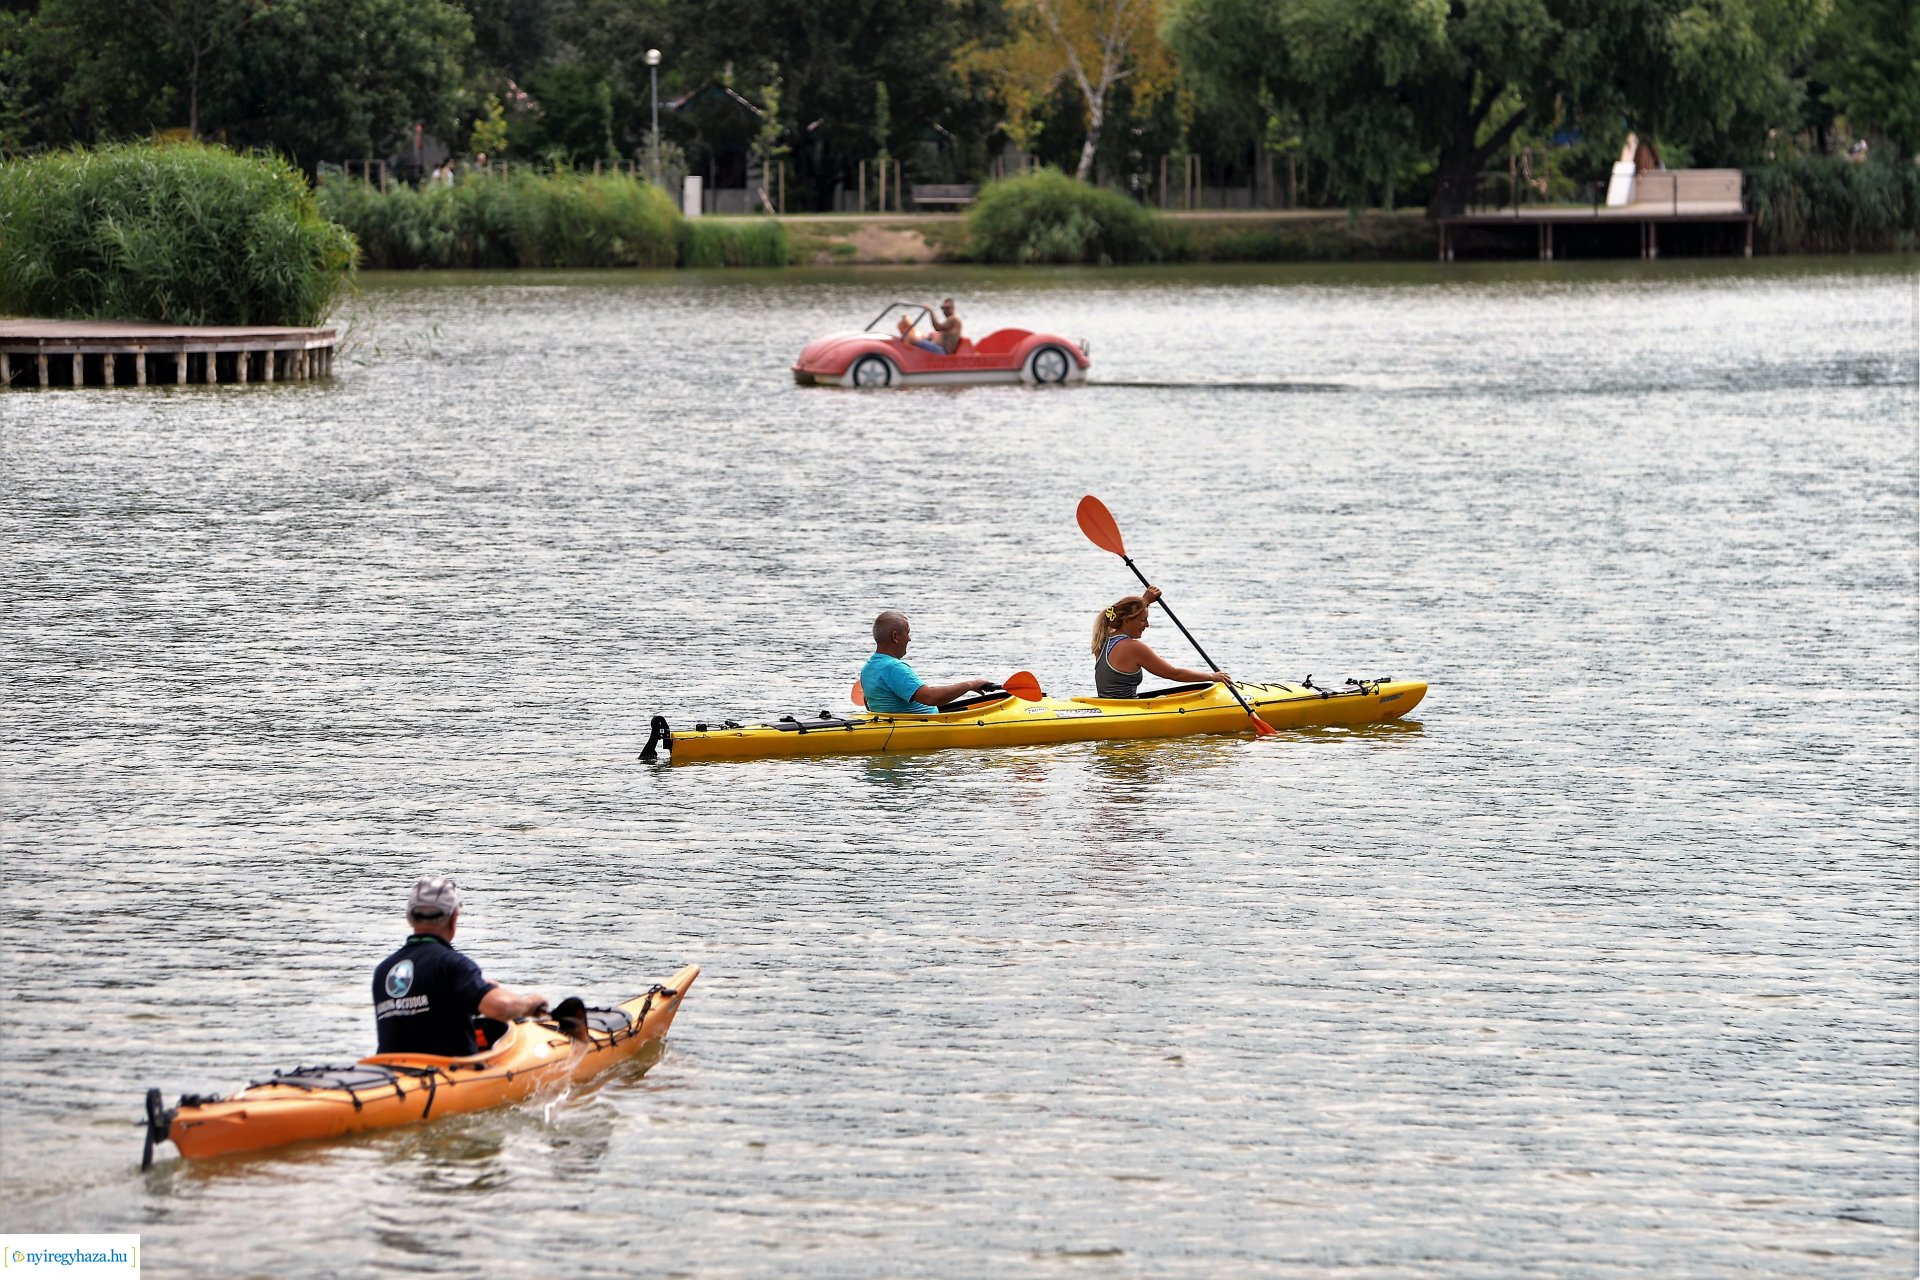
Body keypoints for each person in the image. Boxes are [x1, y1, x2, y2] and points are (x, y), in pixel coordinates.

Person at [372, 877, 549, 1057]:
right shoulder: (453, 964)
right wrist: (530, 1003)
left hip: (390, 1071)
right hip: (449, 1073)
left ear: (410, 918)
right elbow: (500, 1007)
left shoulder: (384, 970)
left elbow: (428, 998)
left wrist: (478, 989)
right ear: (453, 917)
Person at [1091, 588, 1229, 698]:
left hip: (1107, 707)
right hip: (1125, 711)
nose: (1147, 625)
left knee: (1162, 698)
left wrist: (1144, 601)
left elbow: (1125, 613)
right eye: (1143, 620)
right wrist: (1212, 677)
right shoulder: (1132, 647)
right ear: (1126, 621)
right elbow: (1174, 674)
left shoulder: (1103, 640)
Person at [860, 610, 994, 713]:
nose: (909, 639)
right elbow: (931, 698)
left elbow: (869, 704)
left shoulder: (868, 668)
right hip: (918, 728)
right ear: (895, 637)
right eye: (908, 632)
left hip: (897, 723)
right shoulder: (894, 667)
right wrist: (970, 684)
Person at [895, 298, 963, 355]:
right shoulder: (949, 321)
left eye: (947, 308)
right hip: (939, 347)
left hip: (943, 351)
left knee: (911, 338)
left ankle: (901, 354)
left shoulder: (954, 319)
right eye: (943, 308)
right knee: (911, 334)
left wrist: (931, 311)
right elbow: (941, 333)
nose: (944, 311)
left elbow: (937, 327)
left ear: (953, 308)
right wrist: (931, 337)